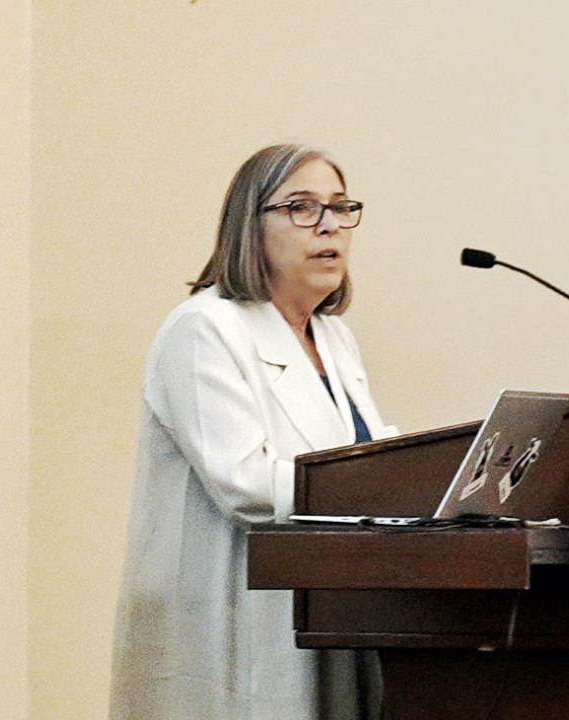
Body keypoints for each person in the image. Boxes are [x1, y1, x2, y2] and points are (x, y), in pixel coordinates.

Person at [109, 144, 396, 720]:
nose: (329, 226)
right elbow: (245, 484)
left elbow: (364, 452)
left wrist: (414, 478)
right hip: (234, 615)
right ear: (250, 224)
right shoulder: (204, 328)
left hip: (329, 605)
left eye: (341, 208)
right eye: (302, 207)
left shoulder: (332, 336)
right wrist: (379, 491)